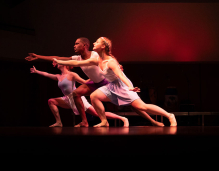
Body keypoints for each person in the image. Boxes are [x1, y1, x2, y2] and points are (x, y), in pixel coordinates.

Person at [26, 37, 164, 127]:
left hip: (106, 82)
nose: (74, 46)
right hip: (94, 83)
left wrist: (119, 67)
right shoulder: (77, 58)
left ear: (85, 45)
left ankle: (152, 121)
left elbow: (110, 61)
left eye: (77, 43)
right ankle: (86, 121)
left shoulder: (95, 55)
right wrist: (38, 56)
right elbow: (59, 57)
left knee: (136, 106)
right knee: (76, 94)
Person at [30, 64, 129, 127]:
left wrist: (98, 76)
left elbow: (84, 82)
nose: (56, 64)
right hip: (67, 99)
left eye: (59, 63)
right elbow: (46, 74)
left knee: (96, 113)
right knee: (51, 101)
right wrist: (36, 71)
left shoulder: (72, 74)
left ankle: (122, 118)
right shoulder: (58, 76)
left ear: (64, 65)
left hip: (77, 98)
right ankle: (59, 122)